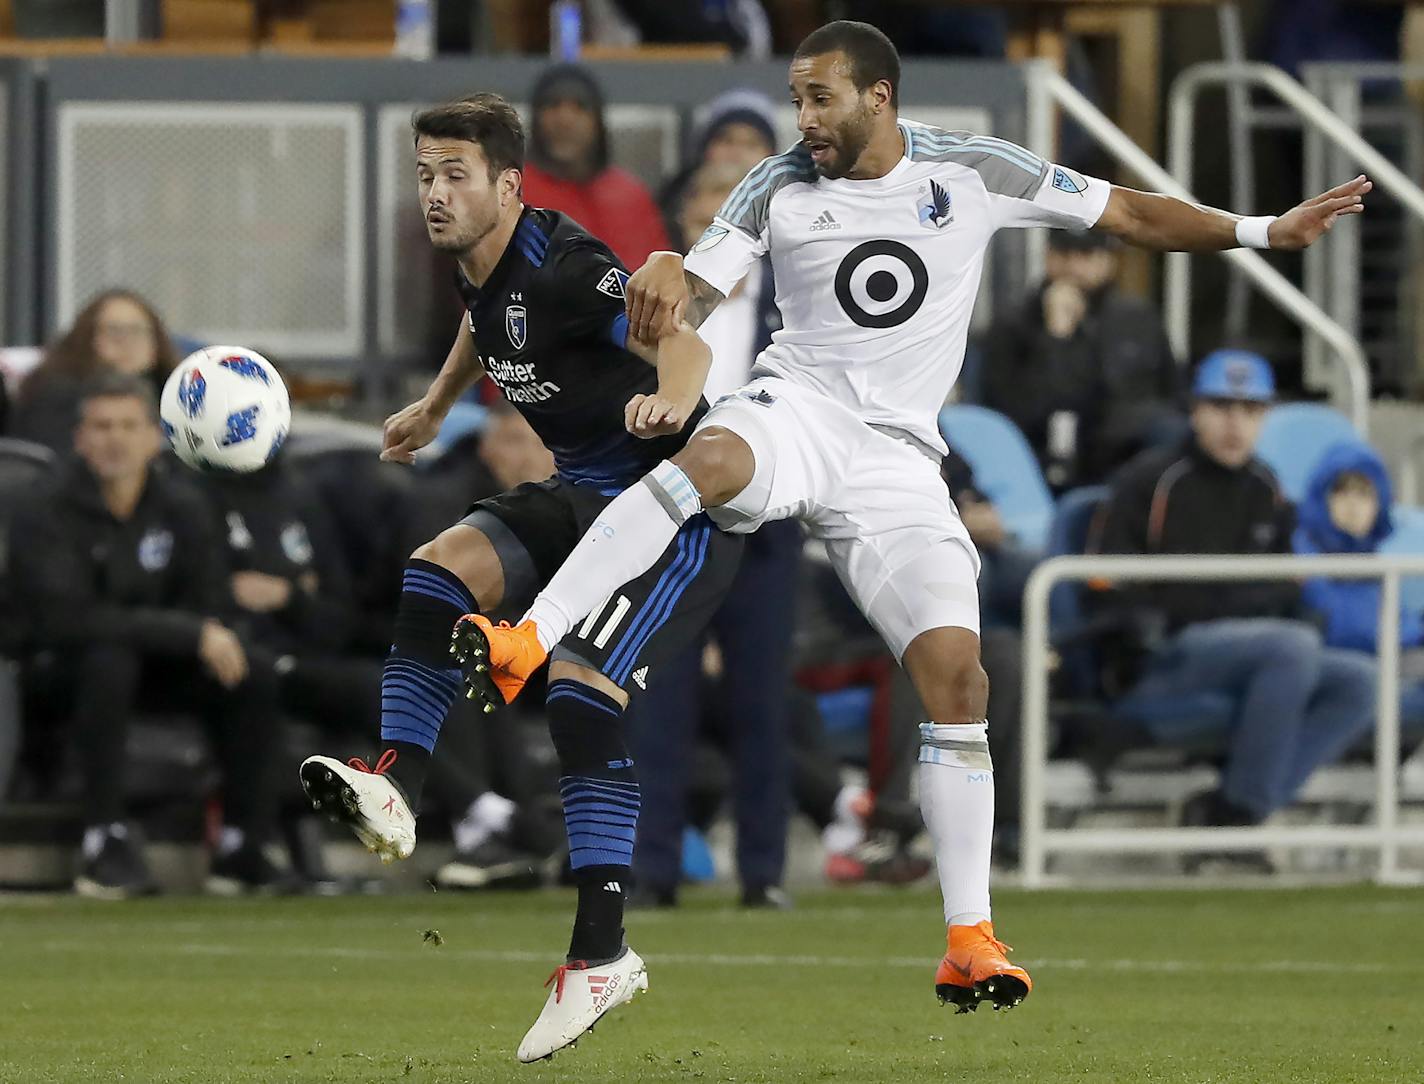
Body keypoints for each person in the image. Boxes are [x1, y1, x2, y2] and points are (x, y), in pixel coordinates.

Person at [461, 18, 1370, 1021]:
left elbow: (1125, 215)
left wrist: (1257, 232)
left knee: (957, 675)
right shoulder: (776, 183)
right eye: (796, 99)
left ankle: (969, 938)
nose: (802, 119)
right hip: (796, 412)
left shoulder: (974, 170)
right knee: (707, 458)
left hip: (896, 459)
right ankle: (528, 638)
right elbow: (707, 276)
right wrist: (673, 265)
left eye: (820, 98)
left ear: (878, 98)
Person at [295, 93, 741, 1064]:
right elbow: (482, 323)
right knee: (436, 570)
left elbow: (680, 338)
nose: (434, 194)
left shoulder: (569, 265)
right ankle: (395, 785)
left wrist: (671, 399)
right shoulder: (475, 263)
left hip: (670, 512)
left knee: (580, 692)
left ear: (507, 184)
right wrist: (434, 402)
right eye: (423, 175)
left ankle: (599, 952)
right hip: (581, 489)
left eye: (455, 176)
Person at [11, 374, 287, 898]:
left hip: (157, 666)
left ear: (154, 438)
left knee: (253, 670)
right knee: (108, 659)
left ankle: (241, 842)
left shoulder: (182, 505)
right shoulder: (42, 507)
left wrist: (198, 634)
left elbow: (211, 603)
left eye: (127, 426)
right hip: (59, 672)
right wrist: (187, 633)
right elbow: (66, 620)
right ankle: (104, 839)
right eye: (101, 426)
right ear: (79, 439)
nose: (115, 439)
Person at [1091, 351, 1378, 827]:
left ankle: (1233, 808)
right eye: (1222, 406)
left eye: (1251, 410)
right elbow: (1104, 584)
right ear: (1195, 410)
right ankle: (1241, 816)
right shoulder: (1150, 480)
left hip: (1256, 653)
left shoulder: (1268, 488)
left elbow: (1287, 589)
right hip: (1165, 657)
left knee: (1358, 680)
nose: (1235, 423)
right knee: (1290, 646)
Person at [629, 157, 796, 910]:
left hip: (766, 524)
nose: (717, 212)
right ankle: (651, 869)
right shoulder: (652, 304)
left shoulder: (797, 301)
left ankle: (763, 874)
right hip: (673, 518)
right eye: (704, 193)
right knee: (659, 696)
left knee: (764, 700)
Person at [981, 230, 1180, 490]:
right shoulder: (1014, 325)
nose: (1073, 267)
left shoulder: (1137, 317)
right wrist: (1056, 339)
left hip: (1130, 451)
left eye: (1085, 255)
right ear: (1048, 256)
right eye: (1064, 254)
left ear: (1108, 261)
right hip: (1043, 456)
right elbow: (1015, 411)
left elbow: (1173, 390)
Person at [1293, 440, 1424, 724]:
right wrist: (1404, 633)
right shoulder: (1299, 550)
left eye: (1365, 495)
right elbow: (1343, 627)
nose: (1353, 505)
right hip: (1330, 670)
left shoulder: (1373, 559)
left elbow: (1401, 625)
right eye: (1341, 492)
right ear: (1321, 496)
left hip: (1387, 662)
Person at [520, 63, 670, 271]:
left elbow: (655, 276)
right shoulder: (513, 192)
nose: (566, 120)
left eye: (580, 106)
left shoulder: (630, 196)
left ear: (597, 121)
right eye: (553, 105)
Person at [12, 289, 180, 454]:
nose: (127, 343)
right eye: (115, 331)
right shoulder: (56, 396)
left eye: (137, 331)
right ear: (88, 339)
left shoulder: (176, 396)